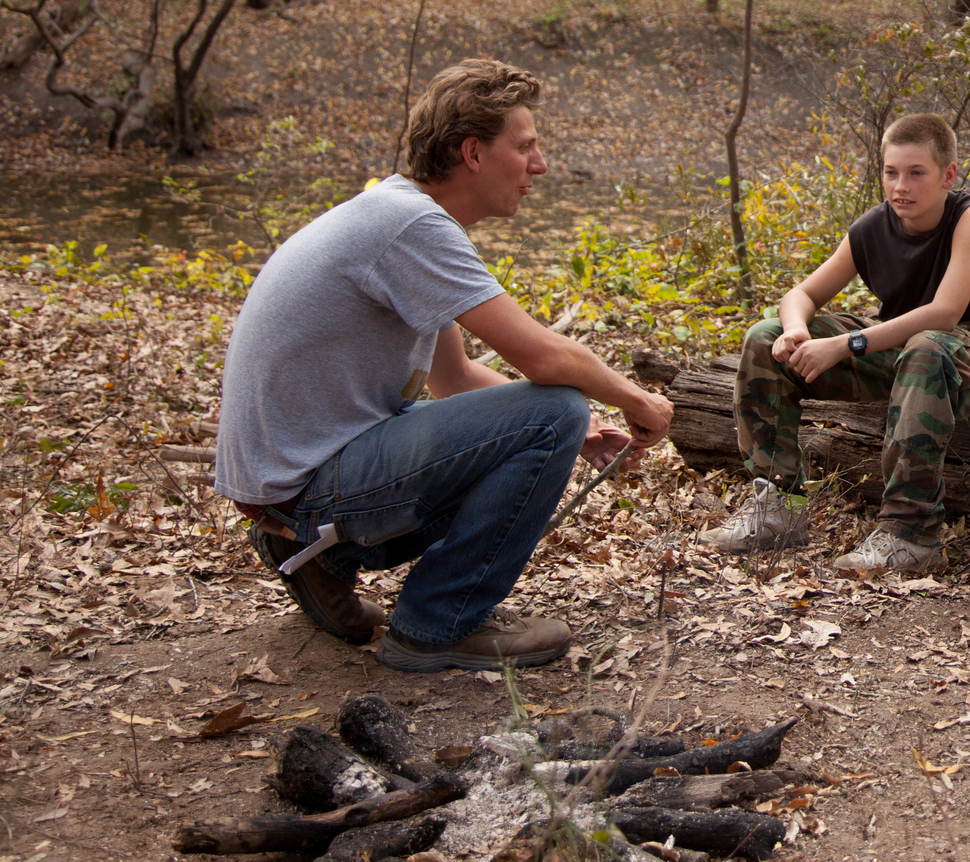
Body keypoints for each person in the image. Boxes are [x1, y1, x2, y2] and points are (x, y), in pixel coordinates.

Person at [214, 59, 674, 673]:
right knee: (556, 405)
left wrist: (583, 432)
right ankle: (438, 625)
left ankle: (318, 561)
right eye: (526, 147)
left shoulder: (396, 213)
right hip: (306, 487)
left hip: (289, 489)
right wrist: (633, 399)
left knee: (561, 416)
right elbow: (542, 355)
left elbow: (453, 379)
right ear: (473, 154)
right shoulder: (412, 225)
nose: (540, 165)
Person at [710, 113, 970, 576]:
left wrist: (844, 344)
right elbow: (801, 295)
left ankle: (912, 533)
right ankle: (777, 505)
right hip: (894, 347)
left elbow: (945, 313)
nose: (900, 186)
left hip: (959, 354)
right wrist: (795, 330)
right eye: (890, 172)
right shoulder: (873, 226)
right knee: (762, 336)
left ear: (948, 174)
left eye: (916, 173)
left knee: (927, 346)